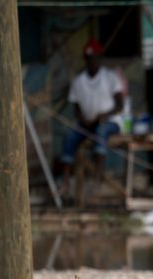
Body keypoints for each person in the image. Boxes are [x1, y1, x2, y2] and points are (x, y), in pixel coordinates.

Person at [60, 38, 124, 202]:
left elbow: (119, 105)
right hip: (86, 123)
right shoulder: (79, 81)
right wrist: (84, 120)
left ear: (100, 58)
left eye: (95, 57)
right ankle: (65, 182)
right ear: (86, 60)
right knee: (70, 137)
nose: (92, 61)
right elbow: (76, 108)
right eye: (89, 59)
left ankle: (97, 180)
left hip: (110, 122)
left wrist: (104, 116)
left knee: (100, 132)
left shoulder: (110, 77)